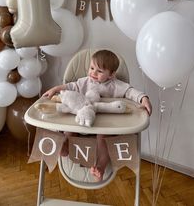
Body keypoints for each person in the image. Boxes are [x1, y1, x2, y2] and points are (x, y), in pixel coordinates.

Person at [42, 49, 152, 181]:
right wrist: (55, 89)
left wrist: (144, 99)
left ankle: (100, 165)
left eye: (99, 71)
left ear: (111, 75)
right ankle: (65, 146)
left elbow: (131, 92)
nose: (93, 73)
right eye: (92, 68)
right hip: (83, 120)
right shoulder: (84, 82)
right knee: (69, 129)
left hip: (104, 125)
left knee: (103, 137)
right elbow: (70, 87)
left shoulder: (116, 85)